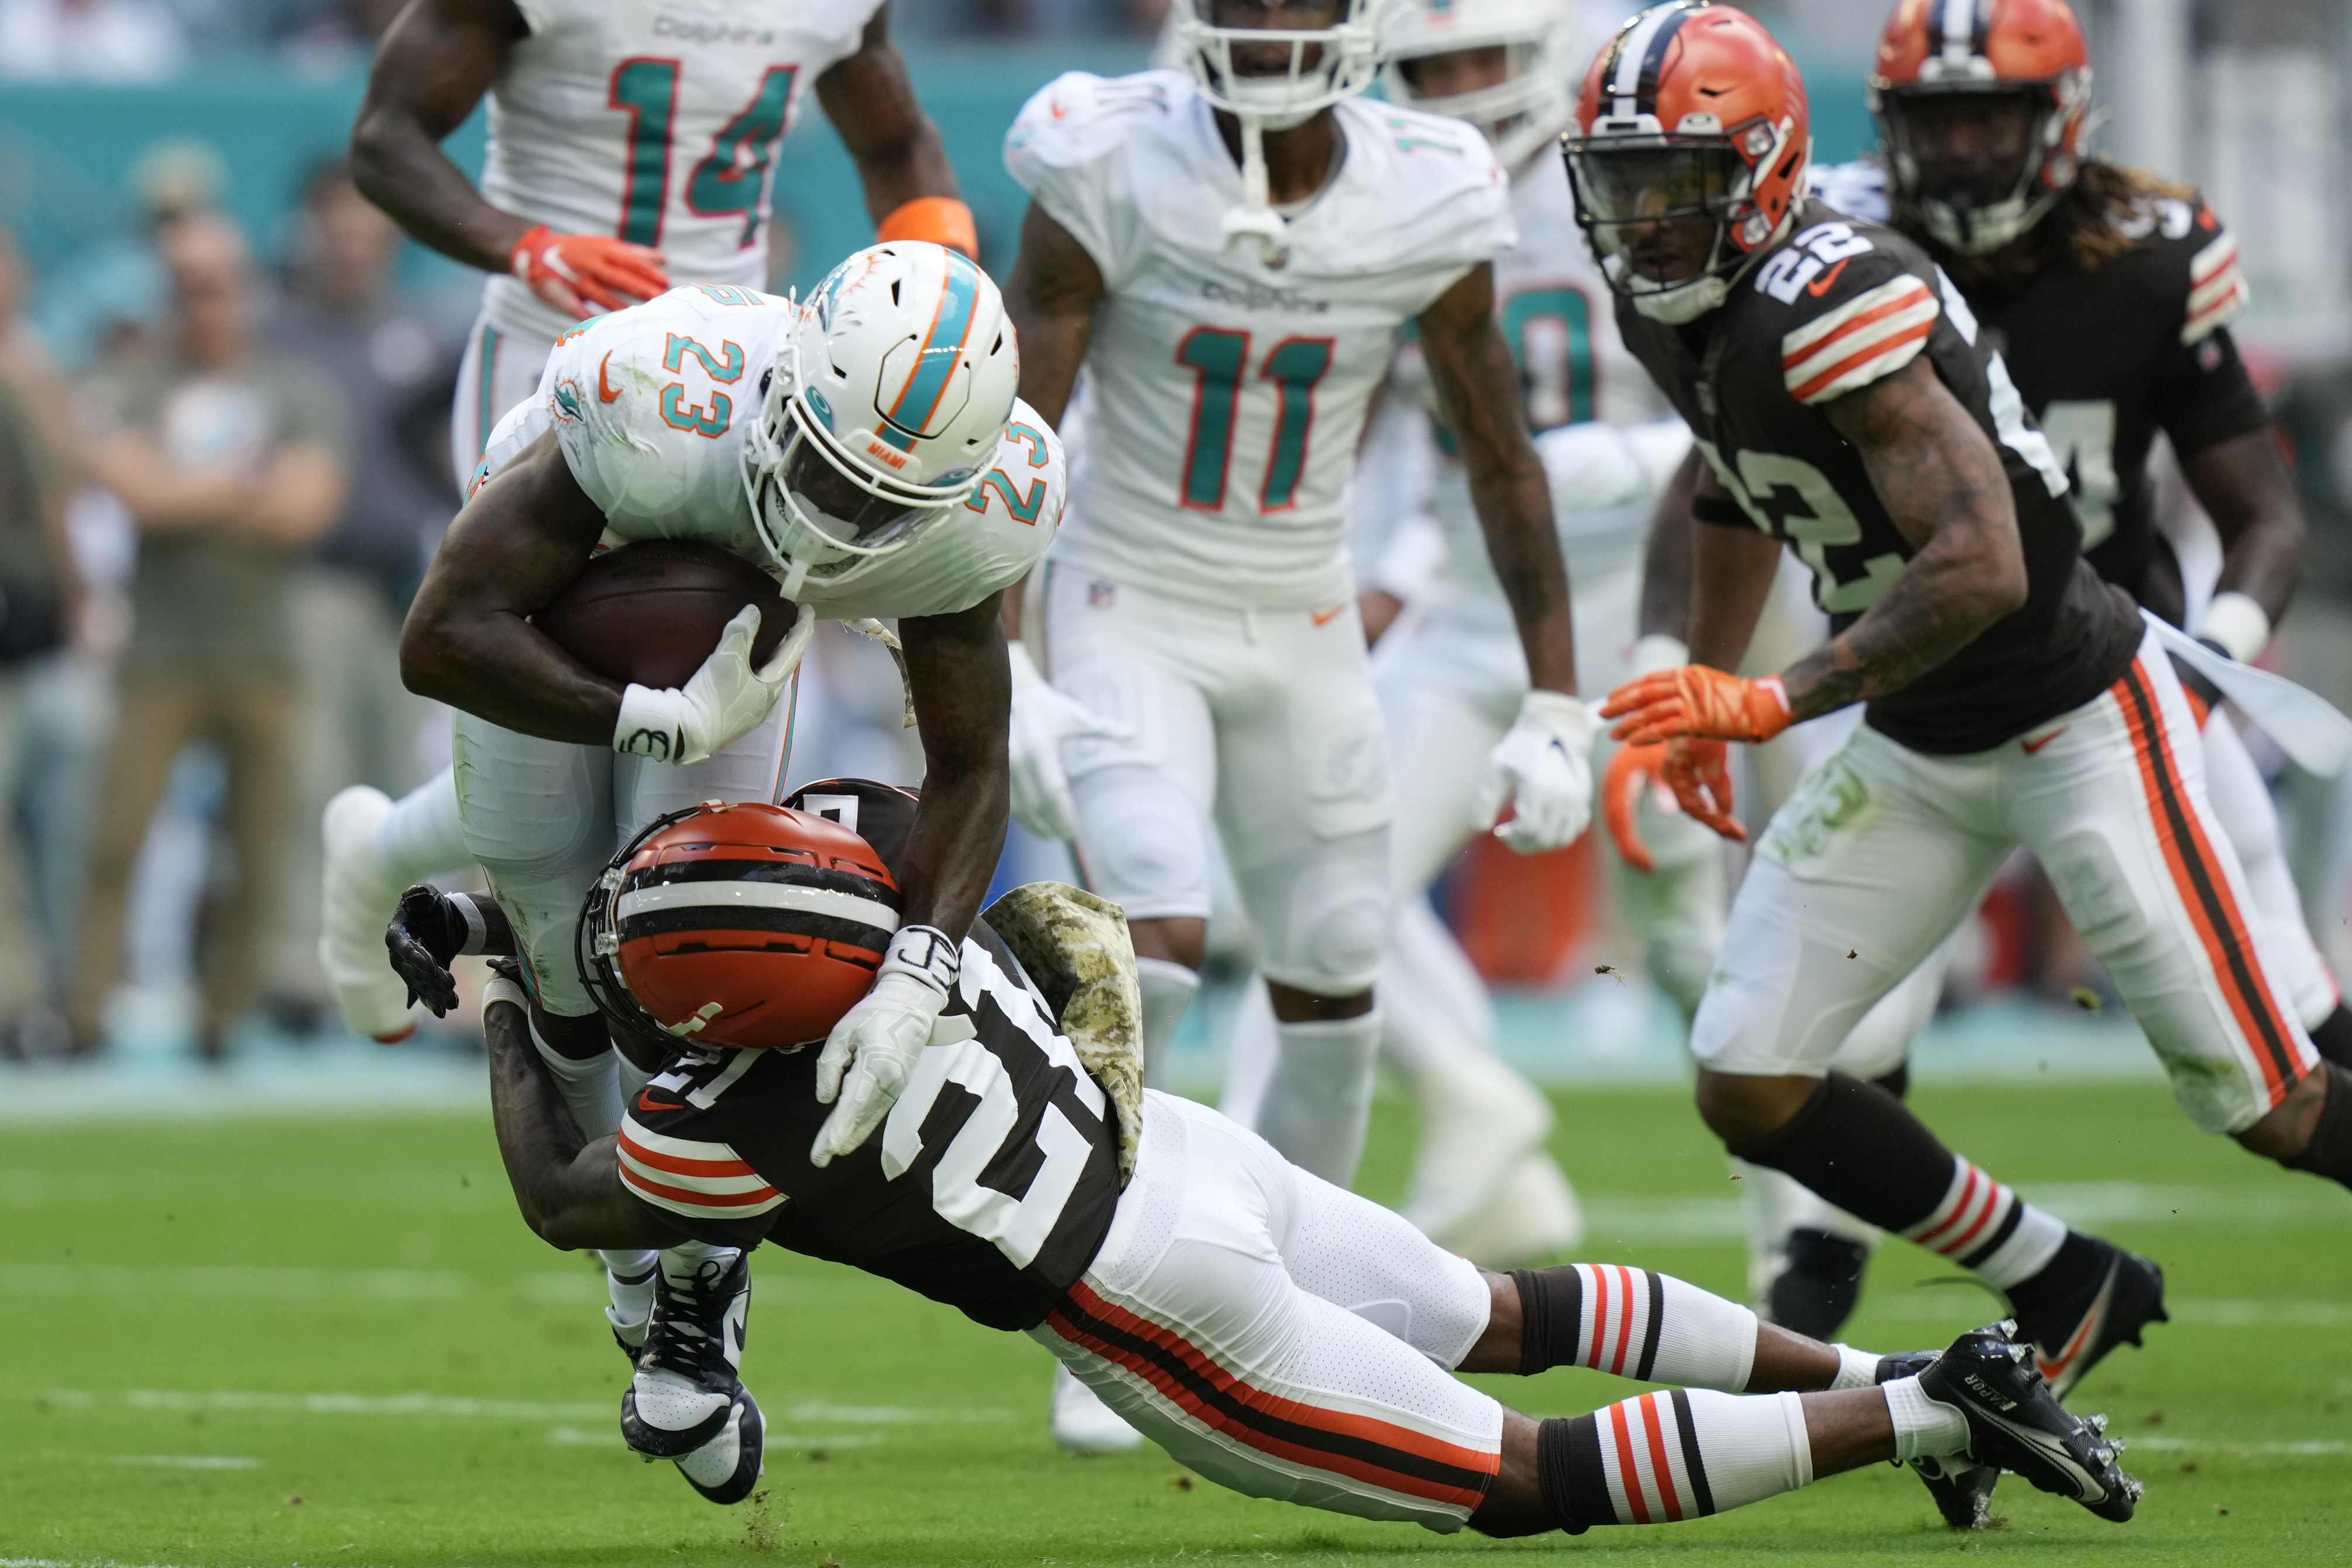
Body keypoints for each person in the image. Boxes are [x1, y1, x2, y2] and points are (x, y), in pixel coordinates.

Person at [435, 796, 2140, 1531]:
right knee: (1496, 1307)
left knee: (1522, 1480)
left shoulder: (752, 1122)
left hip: (1152, 1298)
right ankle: (1909, 1370)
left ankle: (1926, 1408)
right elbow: (1023, 898)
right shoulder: (886, 885)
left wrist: (496, 1000)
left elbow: (558, 1195)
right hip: (1180, 1151)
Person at [1576, 0, 2346, 1413]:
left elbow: (1983, 563)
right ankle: (2063, 1277)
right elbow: (1733, 488)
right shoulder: (1667, 304)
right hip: (1925, 737)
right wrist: (1688, 677)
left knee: (2274, 1102)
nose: (1646, 220)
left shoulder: (1832, 291)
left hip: (2077, 718)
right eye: (1620, 185)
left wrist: (1768, 696)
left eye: (1676, 185)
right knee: (1747, 1074)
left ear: (1759, 169)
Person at [390, 242, 1062, 1497]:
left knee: (691, 942)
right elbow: (441, 636)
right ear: (785, 388)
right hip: (556, 610)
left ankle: (696, 1292)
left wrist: (919, 970)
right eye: (824, 471)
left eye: (880, 507)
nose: (840, 522)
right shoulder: (653, 404)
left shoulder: (985, 507)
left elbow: (973, 762)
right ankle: (632, 1263)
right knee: (552, 925)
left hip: (729, 639)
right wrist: (653, 717)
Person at [998, 0, 1591, 1196]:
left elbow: (1500, 456)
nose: (1269, 25)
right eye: (1242, 1)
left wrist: (1559, 701)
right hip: (1133, 594)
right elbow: (1015, 435)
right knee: (1151, 952)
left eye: (1297, 1)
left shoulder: (1424, 189)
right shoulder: (1105, 154)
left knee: (1334, 985)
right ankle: (1098, 1299)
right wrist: (1003, 658)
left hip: (1308, 618)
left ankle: (1284, 1282)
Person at [324, 0, 978, 1041]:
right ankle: (408, 882)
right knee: (558, 767)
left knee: (659, 782)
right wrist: (524, 244)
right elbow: (386, 138)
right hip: (558, 384)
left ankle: (386, 855)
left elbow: (898, 143)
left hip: (755, 402)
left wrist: (945, 280)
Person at [1234, 0, 1697, 1264]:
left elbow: (1749, 389)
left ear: (1544, 52)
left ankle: (1799, 1245)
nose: (1462, 89)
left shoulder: (1633, 180)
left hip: (1666, 597)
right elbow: (1382, 424)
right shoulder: (1380, 195)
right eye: (1433, 67)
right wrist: (1395, 567)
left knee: (1695, 940)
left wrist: (1652, 449)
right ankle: (1451, 1110)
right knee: (1316, 868)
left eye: (1483, 58)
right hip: (1478, 606)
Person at [71, 214, 349, 1061]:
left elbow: (307, 510)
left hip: (263, 653)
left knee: (259, 848)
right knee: (115, 839)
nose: (205, 303)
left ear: (245, 289)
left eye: (218, 283)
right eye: (188, 286)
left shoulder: (293, 388)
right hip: (159, 653)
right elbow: (132, 494)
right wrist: (239, 484)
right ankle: (84, 1014)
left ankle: (223, 1016)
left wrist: (181, 490)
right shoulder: (134, 381)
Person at [269, 163, 458, 1022]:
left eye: (367, 227)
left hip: (409, 582)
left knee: (403, 782)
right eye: (338, 226)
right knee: (314, 778)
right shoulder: (278, 335)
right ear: (308, 232)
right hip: (312, 582)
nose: (353, 245)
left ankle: (403, 967)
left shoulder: (419, 333)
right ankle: (302, 974)